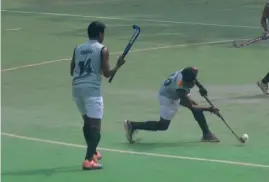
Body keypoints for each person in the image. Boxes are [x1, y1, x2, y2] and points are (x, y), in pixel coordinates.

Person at [71, 21, 125, 170]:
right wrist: (118, 65)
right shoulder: (102, 49)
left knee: (87, 123)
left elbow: (72, 70)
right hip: (92, 91)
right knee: (95, 129)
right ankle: (89, 160)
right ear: (101, 34)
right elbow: (107, 74)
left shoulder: (78, 48)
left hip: (76, 89)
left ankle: (93, 151)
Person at [124, 66, 221, 143]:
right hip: (167, 97)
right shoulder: (180, 90)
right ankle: (132, 125)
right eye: (191, 84)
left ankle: (207, 134)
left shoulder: (189, 72)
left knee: (196, 105)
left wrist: (201, 87)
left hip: (170, 89)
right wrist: (210, 109)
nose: (192, 85)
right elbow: (192, 107)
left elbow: (194, 76)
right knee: (163, 126)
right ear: (187, 82)